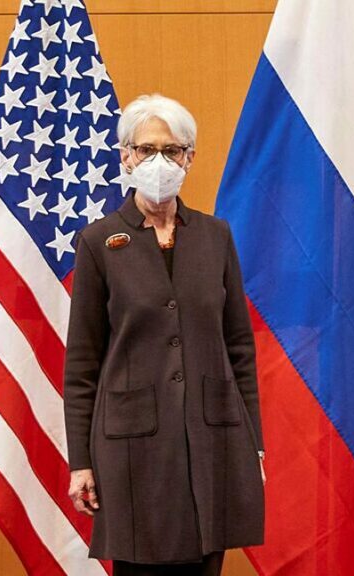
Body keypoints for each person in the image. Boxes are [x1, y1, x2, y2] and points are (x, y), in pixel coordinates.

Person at [63, 94, 265, 576]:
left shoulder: (216, 237)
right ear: (126, 156)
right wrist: (80, 462)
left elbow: (239, 347)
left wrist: (254, 443)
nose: (159, 161)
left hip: (213, 438)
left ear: (189, 158)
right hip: (132, 447)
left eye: (171, 150)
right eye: (146, 149)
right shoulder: (98, 242)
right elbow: (82, 365)